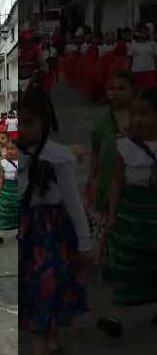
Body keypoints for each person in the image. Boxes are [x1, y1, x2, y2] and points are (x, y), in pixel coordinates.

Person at [18, 86, 92, 355]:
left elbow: (74, 202)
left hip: (51, 232)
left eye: (29, 123)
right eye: (18, 122)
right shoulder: (15, 154)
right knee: (31, 288)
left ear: (44, 122)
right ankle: (44, 336)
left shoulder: (57, 157)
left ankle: (47, 337)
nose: (22, 130)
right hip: (25, 232)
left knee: (50, 284)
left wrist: (85, 242)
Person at [96, 88, 157, 338]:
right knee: (127, 264)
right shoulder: (125, 146)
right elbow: (117, 182)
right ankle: (116, 315)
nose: (139, 120)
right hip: (131, 214)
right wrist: (111, 214)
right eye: (135, 115)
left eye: (146, 114)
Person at [85, 71, 134, 250]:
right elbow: (96, 152)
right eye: (111, 88)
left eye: (121, 88)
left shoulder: (143, 118)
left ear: (133, 91)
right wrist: (93, 177)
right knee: (108, 220)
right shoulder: (101, 123)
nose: (115, 92)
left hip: (135, 180)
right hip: (107, 180)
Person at [0, 139, 19, 243]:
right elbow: (1, 178)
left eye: (12, 149)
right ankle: (0, 235)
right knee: (4, 212)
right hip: (6, 190)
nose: (9, 151)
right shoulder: (4, 162)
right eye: (8, 149)